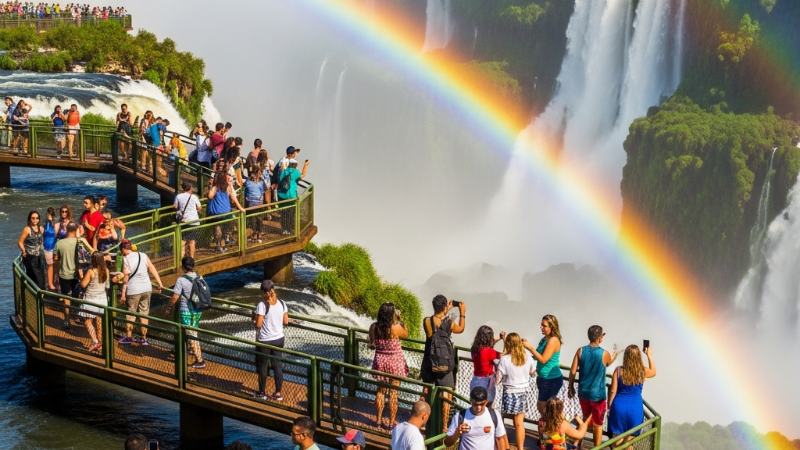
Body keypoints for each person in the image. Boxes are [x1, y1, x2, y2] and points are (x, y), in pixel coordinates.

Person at [568, 325, 618, 447]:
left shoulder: (580, 351)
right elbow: (607, 363)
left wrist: (570, 387)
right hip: (598, 396)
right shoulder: (604, 353)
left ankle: (577, 442)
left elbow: (573, 371)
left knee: (586, 418)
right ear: (601, 337)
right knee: (598, 424)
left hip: (583, 393)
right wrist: (614, 357)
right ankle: (596, 448)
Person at [421, 295, 465, 427]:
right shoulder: (449, 323)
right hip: (445, 363)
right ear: (445, 307)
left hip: (430, 361)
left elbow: (432, 334)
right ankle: (445, 425)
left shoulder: (427, 321)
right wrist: (462, 313)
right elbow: (461, 329)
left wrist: (445, 310)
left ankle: (423, 419)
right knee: (447, 393)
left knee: (426, 390)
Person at [368, 302, 409, 428]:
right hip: (395, 363)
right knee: (393, 393)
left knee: (380, 391)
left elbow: (371, 343)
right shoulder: (395, 328)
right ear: (392, 314)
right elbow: (406, 334)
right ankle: (391, 423)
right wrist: (400, 319)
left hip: (380, 362)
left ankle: (378, 421)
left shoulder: (374, 327)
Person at [608, 345, 656, 447]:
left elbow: (612, 391)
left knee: (616, 440)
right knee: (629, 441)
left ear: (625, 356)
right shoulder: (643, 371)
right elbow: (654, 372)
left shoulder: (618, 370)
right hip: (635, 408)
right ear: (638, 356)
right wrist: (649, 355)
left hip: (619, 407)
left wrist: (609, 407)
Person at [119, 239, 164, 346]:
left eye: (121, 250)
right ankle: (144, 338)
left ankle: (129, 337)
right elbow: (152, 268)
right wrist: (159, 283)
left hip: (133, 290)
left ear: (124, 249)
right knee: (144, 314)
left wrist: (123, 294)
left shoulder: (125, 259)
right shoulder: (142, 255)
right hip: (147, 288)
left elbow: (126, 278)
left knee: (131, 314)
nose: (121, 252)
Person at [165, 256, 206, 369]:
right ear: (193, 266)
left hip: (186, 311)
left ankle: (200, 360)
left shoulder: (181, 280)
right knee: (194, 333)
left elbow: (174, 297)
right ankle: (196, 355)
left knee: (191, 335)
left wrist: (168, 309)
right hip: (197, 310)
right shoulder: (199, 277)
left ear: (183, 267)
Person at [496, 332, 536, 449]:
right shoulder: (527, 356)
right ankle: (520, 448)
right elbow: (533, 372)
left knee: (501, 418)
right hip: (523, 392)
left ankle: (505, 445)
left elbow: (498, 379)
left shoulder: (505, 359)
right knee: (519, 423)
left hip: (509, 392)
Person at [50, 222, 93, 329]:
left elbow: (55, 259)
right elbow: (92, 253)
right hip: (79, 274)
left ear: (66, 230)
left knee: (66, 297)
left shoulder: (59, 243)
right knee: (79, 295)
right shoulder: (81, 241)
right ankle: (80, 315)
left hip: (64, 274)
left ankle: (67, 319)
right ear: (77, 229)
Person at [253, 279, 288, 401]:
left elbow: (258, 324)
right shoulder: (282, 303)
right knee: (277, 365)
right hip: (279, 338)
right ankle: (278, 393)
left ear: (263, 292)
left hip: (265, 340)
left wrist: (254, 318)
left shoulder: (262, 305)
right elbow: (286, 321)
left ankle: (262, 392)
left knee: (263, 366)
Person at [522, 314, 563, 417]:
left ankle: (553, 428)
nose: (541, 327)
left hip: (551, 379)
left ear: (551, 327)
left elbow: (544, 359)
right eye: (541, 325)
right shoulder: (544, 339)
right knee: (545, 408)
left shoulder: (553, 340)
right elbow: (537, 355)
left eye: (544, 325)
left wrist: (530, 347)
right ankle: (550, 428)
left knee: (543, 407)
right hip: (543, 378)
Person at [444, 386, 508, 450]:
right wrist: (457, 433)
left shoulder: (494, 414)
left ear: (486, 401)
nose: (478, 408)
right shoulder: (460, 416)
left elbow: (500, 438)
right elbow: (447, 443)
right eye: (475, 404)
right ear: (471, 401)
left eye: (482, 404)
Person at [79, 251, 115, 353]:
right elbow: (107, 286)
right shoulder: (106, 271)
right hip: (102, 300)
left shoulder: (91, 271)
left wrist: (81, 276)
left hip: (91, 300)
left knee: (87, 321)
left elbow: (83, 285)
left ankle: (95, 341)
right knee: (99, 322)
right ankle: (100, 343)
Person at [207, 163, 244, 253]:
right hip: (227, 211)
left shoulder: (215, 187)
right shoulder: (227, 187)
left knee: (218, 228)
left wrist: (211, 186)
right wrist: (241, 209)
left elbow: (210, 196)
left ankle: (218, 246)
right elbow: (234, 198)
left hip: (217, 212)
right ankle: (223, 245)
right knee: (225, 229)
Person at [470, 325, 506, 407]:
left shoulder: (475, 348)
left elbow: (489, 343)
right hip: (486, 382)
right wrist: (504, 340)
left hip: (476, 380)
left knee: (476, 406)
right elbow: (504, 355)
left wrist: (499, 338)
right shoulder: (488, 351)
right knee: (488, 406)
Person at [276, 159, 309, 235]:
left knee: (283, 213)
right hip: (291, 197)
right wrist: (306, 165)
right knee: (290, 214)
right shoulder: (295, 172)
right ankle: (289, 229)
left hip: (282, 195)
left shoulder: (283, 171)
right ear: (295, 165)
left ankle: (284, 229)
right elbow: (302, 175)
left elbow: (280, 180)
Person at [18, 210, 47, 288]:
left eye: (37, 218)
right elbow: (20, 242)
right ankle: (31, 295)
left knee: (41, 277)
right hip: (30, 256)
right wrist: (23, 251)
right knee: (32, 277)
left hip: (40, 256)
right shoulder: (27, 229)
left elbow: (42, 241)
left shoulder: (41, 228)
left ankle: (40, 293)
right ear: (30, 219)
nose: (35, 220)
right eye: (33, 218)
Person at [174, 181, 202, 258]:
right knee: (192, 241)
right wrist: (194, 209)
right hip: (194, 221)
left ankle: (181, 258)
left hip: (183, 221)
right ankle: (191, 258)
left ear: (183, 188)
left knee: (183, 240)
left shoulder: (178, 196)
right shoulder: (194, 197)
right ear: (190, 188)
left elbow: (175, 206)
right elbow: (199, 208)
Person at [244, 166, 268, 242]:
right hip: (253, 204)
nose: (260, 174)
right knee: (255, 219)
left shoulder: (257, 182)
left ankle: (258, 234)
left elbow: (264, 189)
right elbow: (265, 190)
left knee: (258, 219)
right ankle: (255, 234)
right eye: (260, 173)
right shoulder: (250, 182)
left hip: (257, 203)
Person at [42, 207, 57, 281]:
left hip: (51, 246)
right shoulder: (48, 223)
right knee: (50, 265)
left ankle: (52, 282)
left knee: (52, 265)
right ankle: (50, 283)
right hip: (49, 246)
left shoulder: (52, 223)